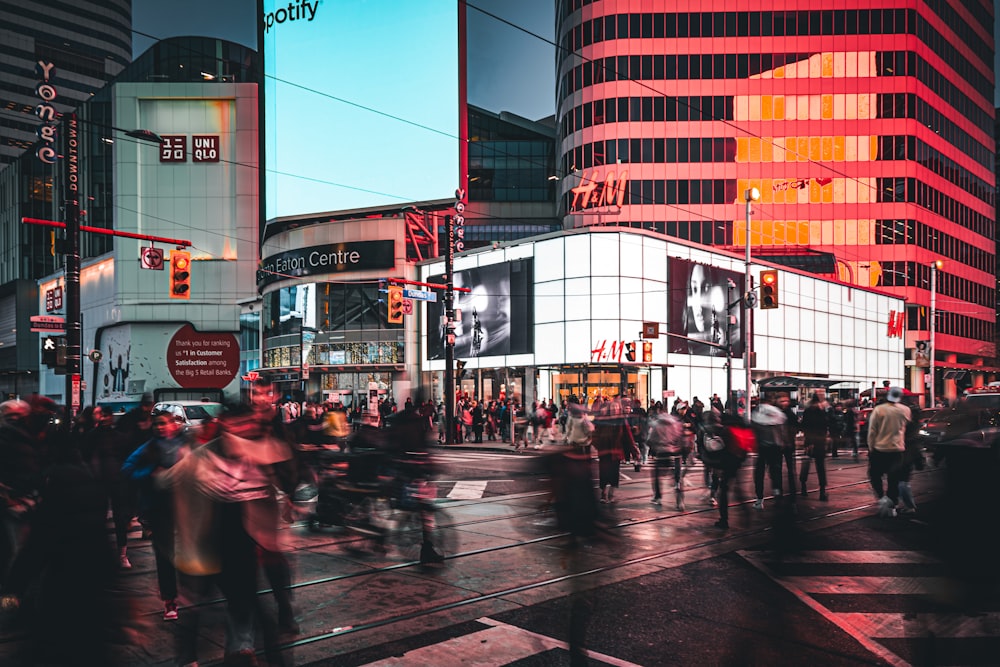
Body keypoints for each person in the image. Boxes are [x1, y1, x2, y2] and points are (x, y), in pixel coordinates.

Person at [121, 411, 191, 621]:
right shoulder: (148, 448)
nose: (160, 428)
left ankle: (191, 590)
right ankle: (170, 599)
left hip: (185, 505)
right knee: (165, 555)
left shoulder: (185, 445)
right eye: (156, 424)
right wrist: (150, 473)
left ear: (173, 424)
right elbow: (127, 469)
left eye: (164, 424)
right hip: (159, 506)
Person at [866, 386, 911, 517]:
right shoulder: (905, 410)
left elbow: (872, 431)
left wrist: (870, 447)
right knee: (894, 479)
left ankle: (881, 497)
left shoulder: (879, 410)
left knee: (875, 475)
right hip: (897, 449)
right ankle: (892, 504)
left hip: (880, 449)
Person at [751, 396, 788, 510]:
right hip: (776, 447)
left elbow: (753, 430)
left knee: (759, 473)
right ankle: (777, 493)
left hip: (762, 447)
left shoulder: (757, 414)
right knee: (776, 472)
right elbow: (783, 432)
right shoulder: (778, 414)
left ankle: (759, 499)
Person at [798, 396, 830, 500]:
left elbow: (805, 427)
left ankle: (809, 487)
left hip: (814, 442)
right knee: (818, 466)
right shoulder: (816, 412)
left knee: (809, 465)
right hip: (815, 442)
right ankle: (820, 491)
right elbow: (809, 427)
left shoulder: (817, 412)